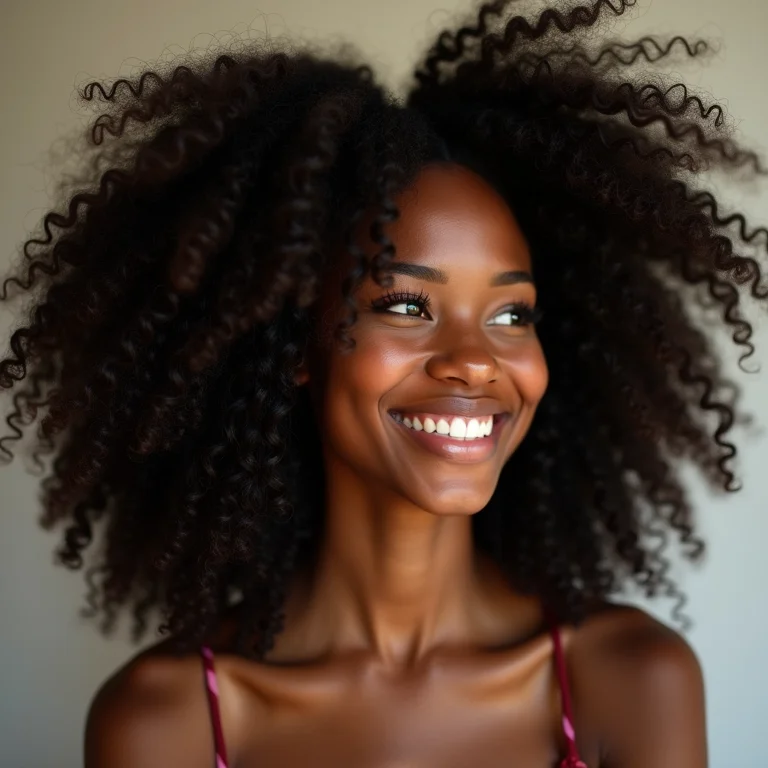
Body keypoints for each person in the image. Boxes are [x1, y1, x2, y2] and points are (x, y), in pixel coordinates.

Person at [1, 0, 764, 765]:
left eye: (511, 314)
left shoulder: (628, 681)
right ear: (295, 340)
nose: (474, 359)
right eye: (406, 304)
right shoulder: (169, 723)